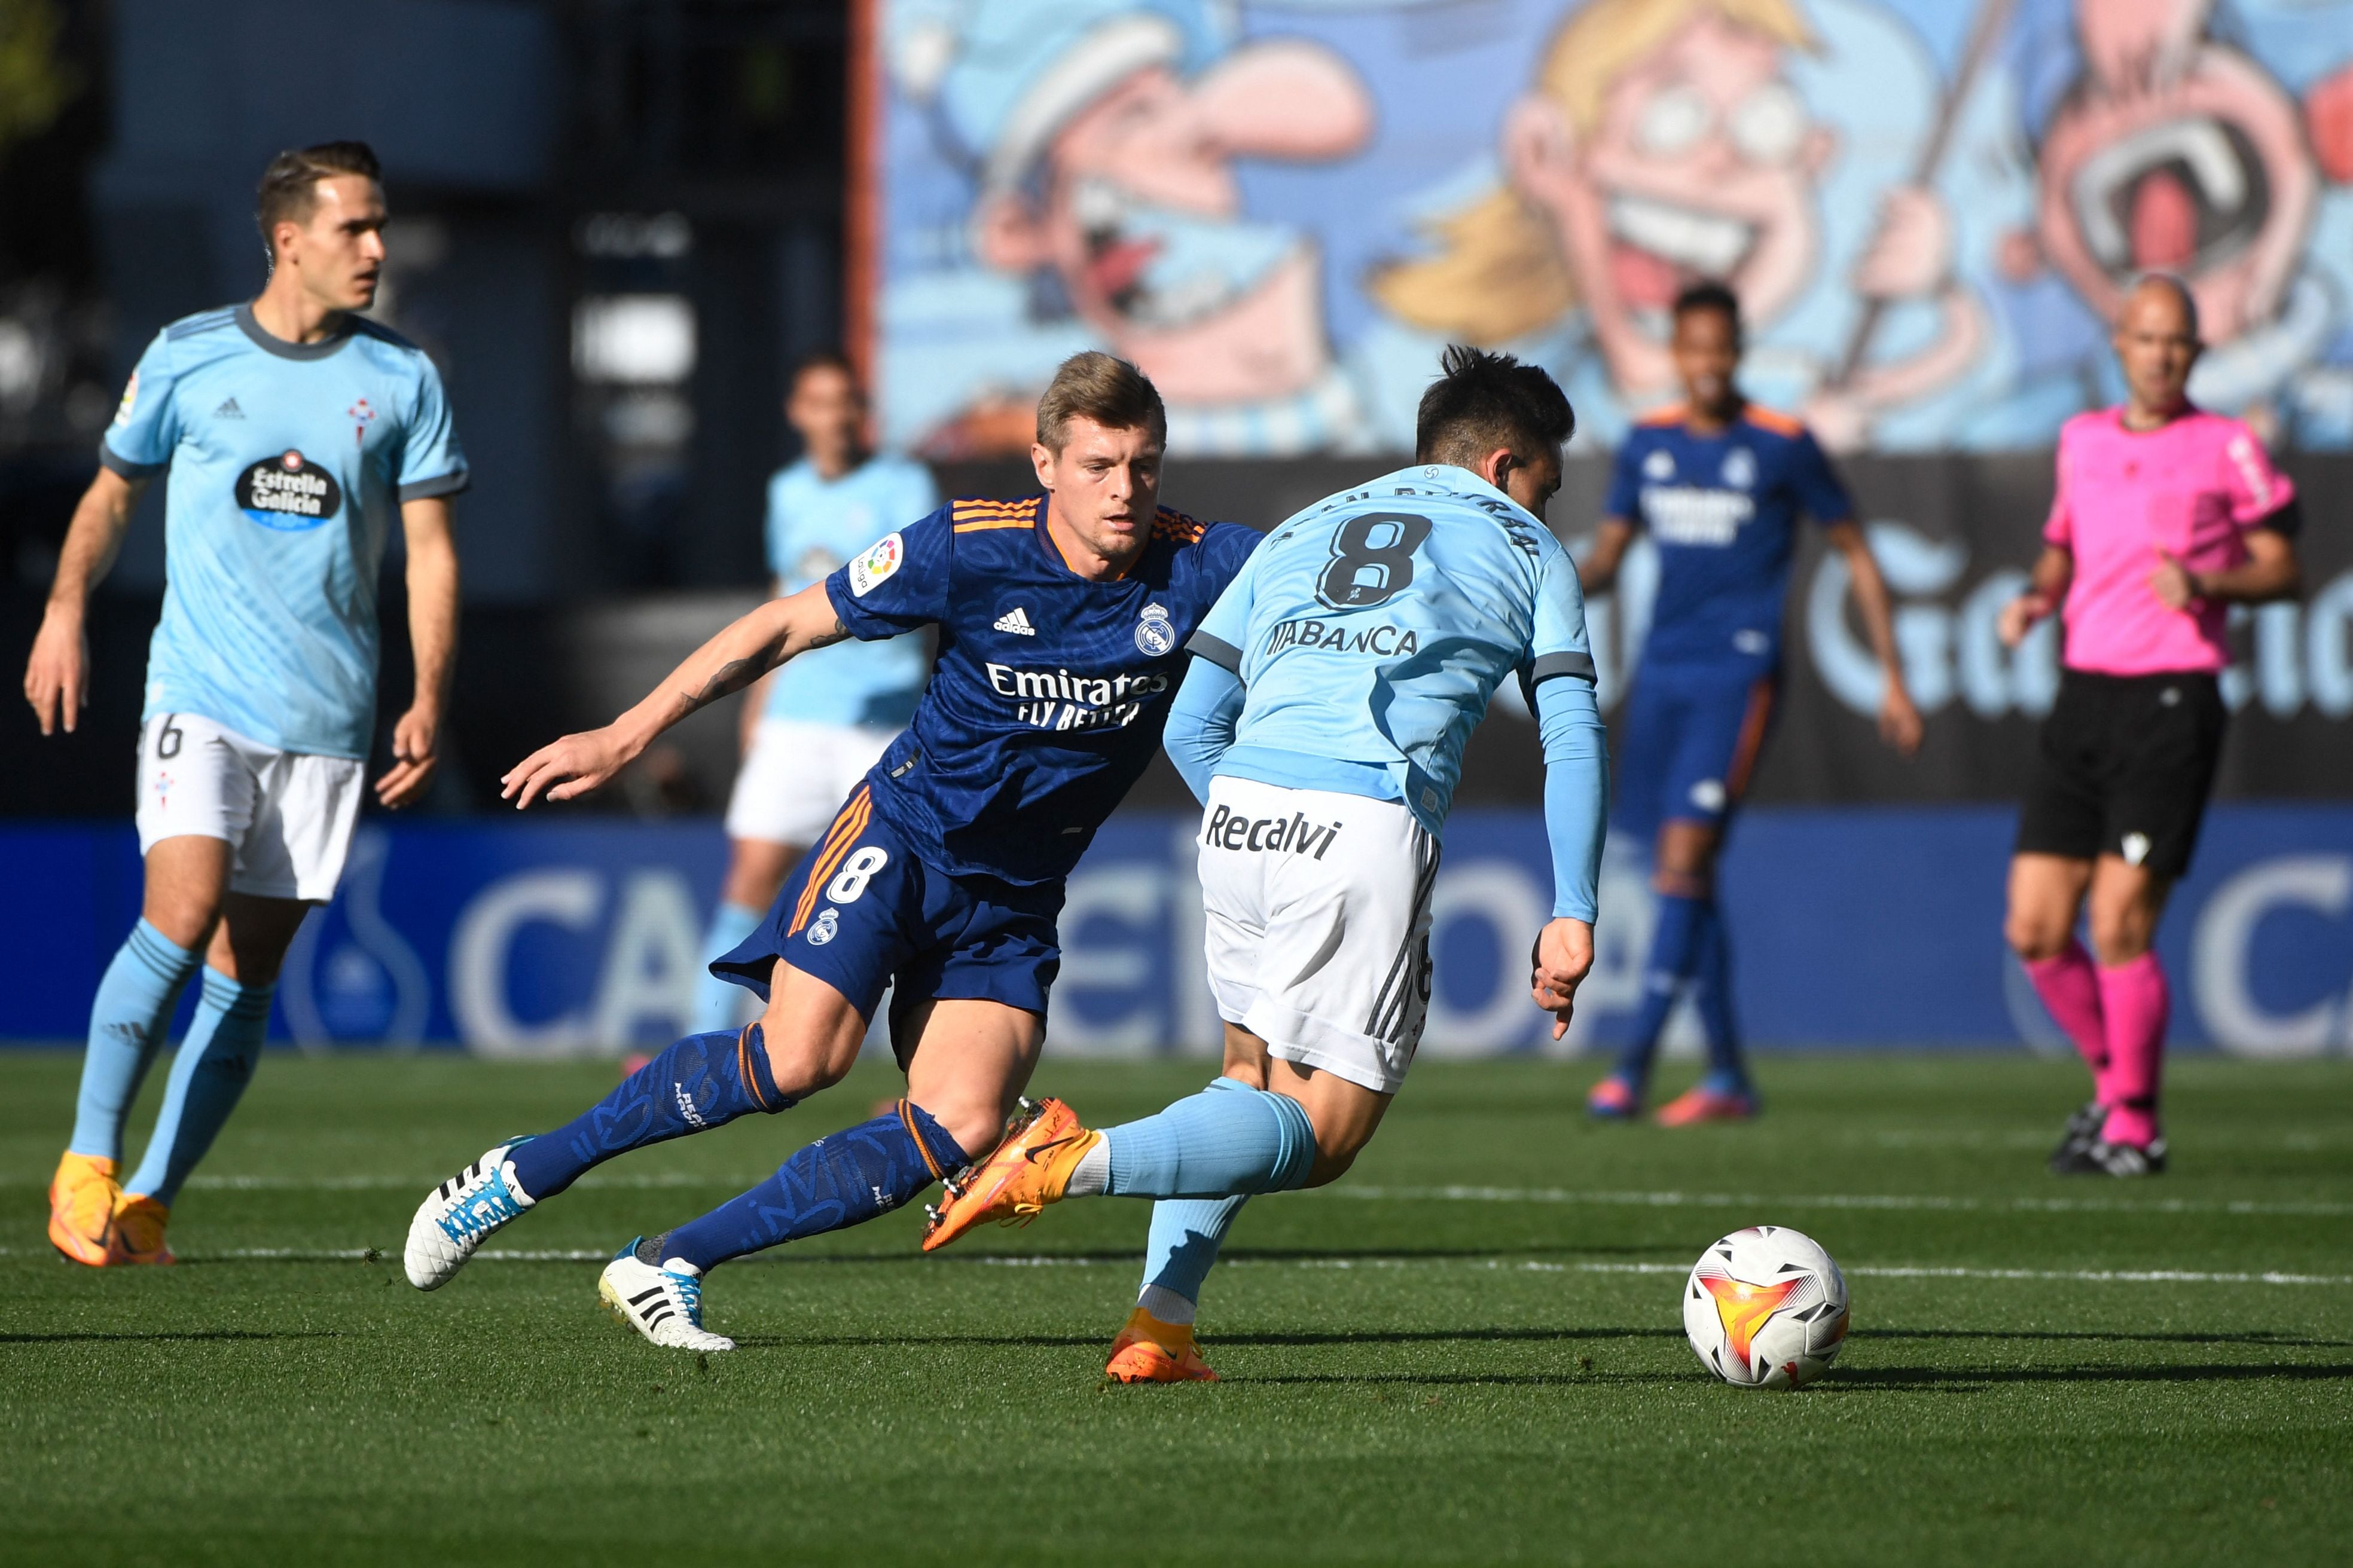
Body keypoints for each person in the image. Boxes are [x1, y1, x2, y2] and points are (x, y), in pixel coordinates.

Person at [403, 352, 1258, 1350]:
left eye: (1143, 466)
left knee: (964, 1124)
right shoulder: (966, 547)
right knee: (796, 1057)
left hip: (1016, 894)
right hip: (903, 837)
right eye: (1099, 465)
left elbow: (1340, 583)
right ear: (1043, 464)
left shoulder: (1207, 561)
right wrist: (627, 733)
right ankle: (522, 1171)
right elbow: (783, 624)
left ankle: (666, 1260)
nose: (1125, 491)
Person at [920, 345, 1610, 1385]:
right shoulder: (1526, 545)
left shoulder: (1301, 529)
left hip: (1241, 811)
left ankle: (1160, 1325)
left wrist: (1264, 817)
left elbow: (1194, 721)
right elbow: (1571, 730)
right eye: (1547, 488)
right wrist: (1573, 904)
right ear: (1508, 464)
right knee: (1320, 1134)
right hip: (1363, 813)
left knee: (1245, 1082)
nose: (1545, 510)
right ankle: (1065, 1158)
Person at [25, 141, 466, 1266]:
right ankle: (85, 1159)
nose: (375, 249)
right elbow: (111, 494)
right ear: (289, 239)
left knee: (247, 968)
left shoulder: (404, 378)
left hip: (324, 717)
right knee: (181, 908)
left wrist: (426, 692)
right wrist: (66, 607)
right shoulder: (188, 356)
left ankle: (151, 1203)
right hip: (200, 692)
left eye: (379, 226)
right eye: (354, 228)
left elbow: (428, 552)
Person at [1576, 280, 1920, 1126]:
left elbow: (1856, 551)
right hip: (1661, 674)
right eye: (1690, 348)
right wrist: (1529, 587)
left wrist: (1892, 675)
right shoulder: (1646, 442)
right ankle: (1727, 1073)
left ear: (1737, 351)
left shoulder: (1780, 443)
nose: (1705, 364)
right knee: (1682, 874)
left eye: (1719, 348)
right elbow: (1609, 560)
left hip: (1738, 676)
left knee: (1683, 860)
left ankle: (1629, 1066)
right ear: (1675, 352)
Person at [2001, 273, 2302, 1178]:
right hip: (2081, 696)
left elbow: (2282, 566)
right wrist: (2033, 596)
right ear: (2119, 344)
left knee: (2118, 918)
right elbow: (2060, 543)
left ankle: (2135, 1122)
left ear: (2194, 352)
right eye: (2145, 339)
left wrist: (2209, 582)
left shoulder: (2226, 445)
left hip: (2172, 696)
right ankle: (2111, 1089)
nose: (2160, 355)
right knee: (2034, 928)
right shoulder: (2080, 439)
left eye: (2176, 342)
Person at [691, 351, 938, 1034]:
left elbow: (917, 590)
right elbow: (783, 595)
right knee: (750, 875)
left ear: (862, 413)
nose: (834, 417)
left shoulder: (903, 485)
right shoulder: (788, 492)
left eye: (846, 403)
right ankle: (697, 1040)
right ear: (797, 413)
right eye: (820, 403)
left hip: (882, 721)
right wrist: (757, 697)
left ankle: (922, 1065)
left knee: (903, 894)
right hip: (798, 717)